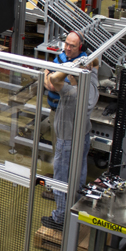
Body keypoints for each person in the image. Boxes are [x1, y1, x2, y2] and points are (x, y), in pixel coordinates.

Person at [40, 57, 99, 232]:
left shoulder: (72, 93)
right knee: (79, 174)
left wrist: (71, 67)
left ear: (74, 76)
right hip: (83, 136)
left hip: (67, 140)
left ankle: (60, 218)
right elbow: (96, 63)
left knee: (61, 179)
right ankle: (76, 209)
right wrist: (89, 61)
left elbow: (53, 80)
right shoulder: (92, 88)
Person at [40, 31, 88, 201]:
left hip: (68, 117)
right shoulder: (61, 57)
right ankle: (61, 183)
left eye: (72, 46)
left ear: (80, 46)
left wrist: (49, 77)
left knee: (64, 154)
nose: (67, 48)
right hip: (55, 113)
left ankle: (64, 192)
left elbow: (54, 85)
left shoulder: (82, 63)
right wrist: (48, 76)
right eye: (66, 44)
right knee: (57, 151)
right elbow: (46, 76)